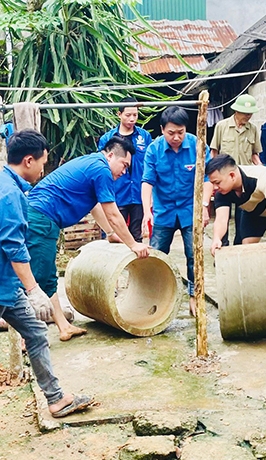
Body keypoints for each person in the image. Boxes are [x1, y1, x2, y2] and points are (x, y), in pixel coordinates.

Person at [0, 130, 93, 449]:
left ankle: (56, 399)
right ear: (28, 160)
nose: (43, 171)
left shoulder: (4, 185)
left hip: (3, 282)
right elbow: (14, 246)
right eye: (42, 164)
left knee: (36, 334)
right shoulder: (8, 193)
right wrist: (34, 289)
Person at [26, 136, 150, 340]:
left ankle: (63, 327)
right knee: (37, 278)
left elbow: (95, 206)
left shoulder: (93, 164)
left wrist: (110, 234)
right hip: (41, 217)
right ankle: (25, 337)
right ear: (110, 155)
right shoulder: (101, 169)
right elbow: (113, 214)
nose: (124, 171)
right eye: (124, 165)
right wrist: (133, 244)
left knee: (47, 277)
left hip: (43, 218)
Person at [141, 106, 211, 317]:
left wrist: (205, 206)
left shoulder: (198, 146)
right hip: (164, 211)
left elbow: (207, 178)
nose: (176, 137)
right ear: (162, 129)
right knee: (157, 256)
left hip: (191, 210)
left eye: (180, 132)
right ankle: (154, 297)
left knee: (194, 255)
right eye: (171, 132)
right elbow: (147, 182)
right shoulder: (154, 150)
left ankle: (194, 297)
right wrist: (147, 211)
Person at [205, 154, 266, 256]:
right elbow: (221, 219)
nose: (215, 187)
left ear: (232, 175)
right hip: (253, 210)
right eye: (213, 183)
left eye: (217, 182)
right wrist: (217, 239)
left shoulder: (262, 177)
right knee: (247, 248)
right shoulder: (221, 192)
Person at [97, 97, 153, 242]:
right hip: (116, 194)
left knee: (137, 236)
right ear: (119, 114)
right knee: (116, 235)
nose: (132, 119)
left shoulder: (144, 137)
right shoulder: (107, 139)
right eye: (128, 115)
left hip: (138, 194)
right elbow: (101, 168)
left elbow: (149, 165)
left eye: (135, 115)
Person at [210, 94, 262, 246]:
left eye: (250, 113)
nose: (248, 116)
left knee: (243, 220)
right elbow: (214, 152)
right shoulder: (222, 126)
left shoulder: (252, 129)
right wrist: (213, 179)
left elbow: (254, 154)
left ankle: (238, 250)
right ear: (236, 111)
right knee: (222, 217)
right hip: (224, 180)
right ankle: (221, 248)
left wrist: (261, 170)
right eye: (246, 113)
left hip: (242, 182)